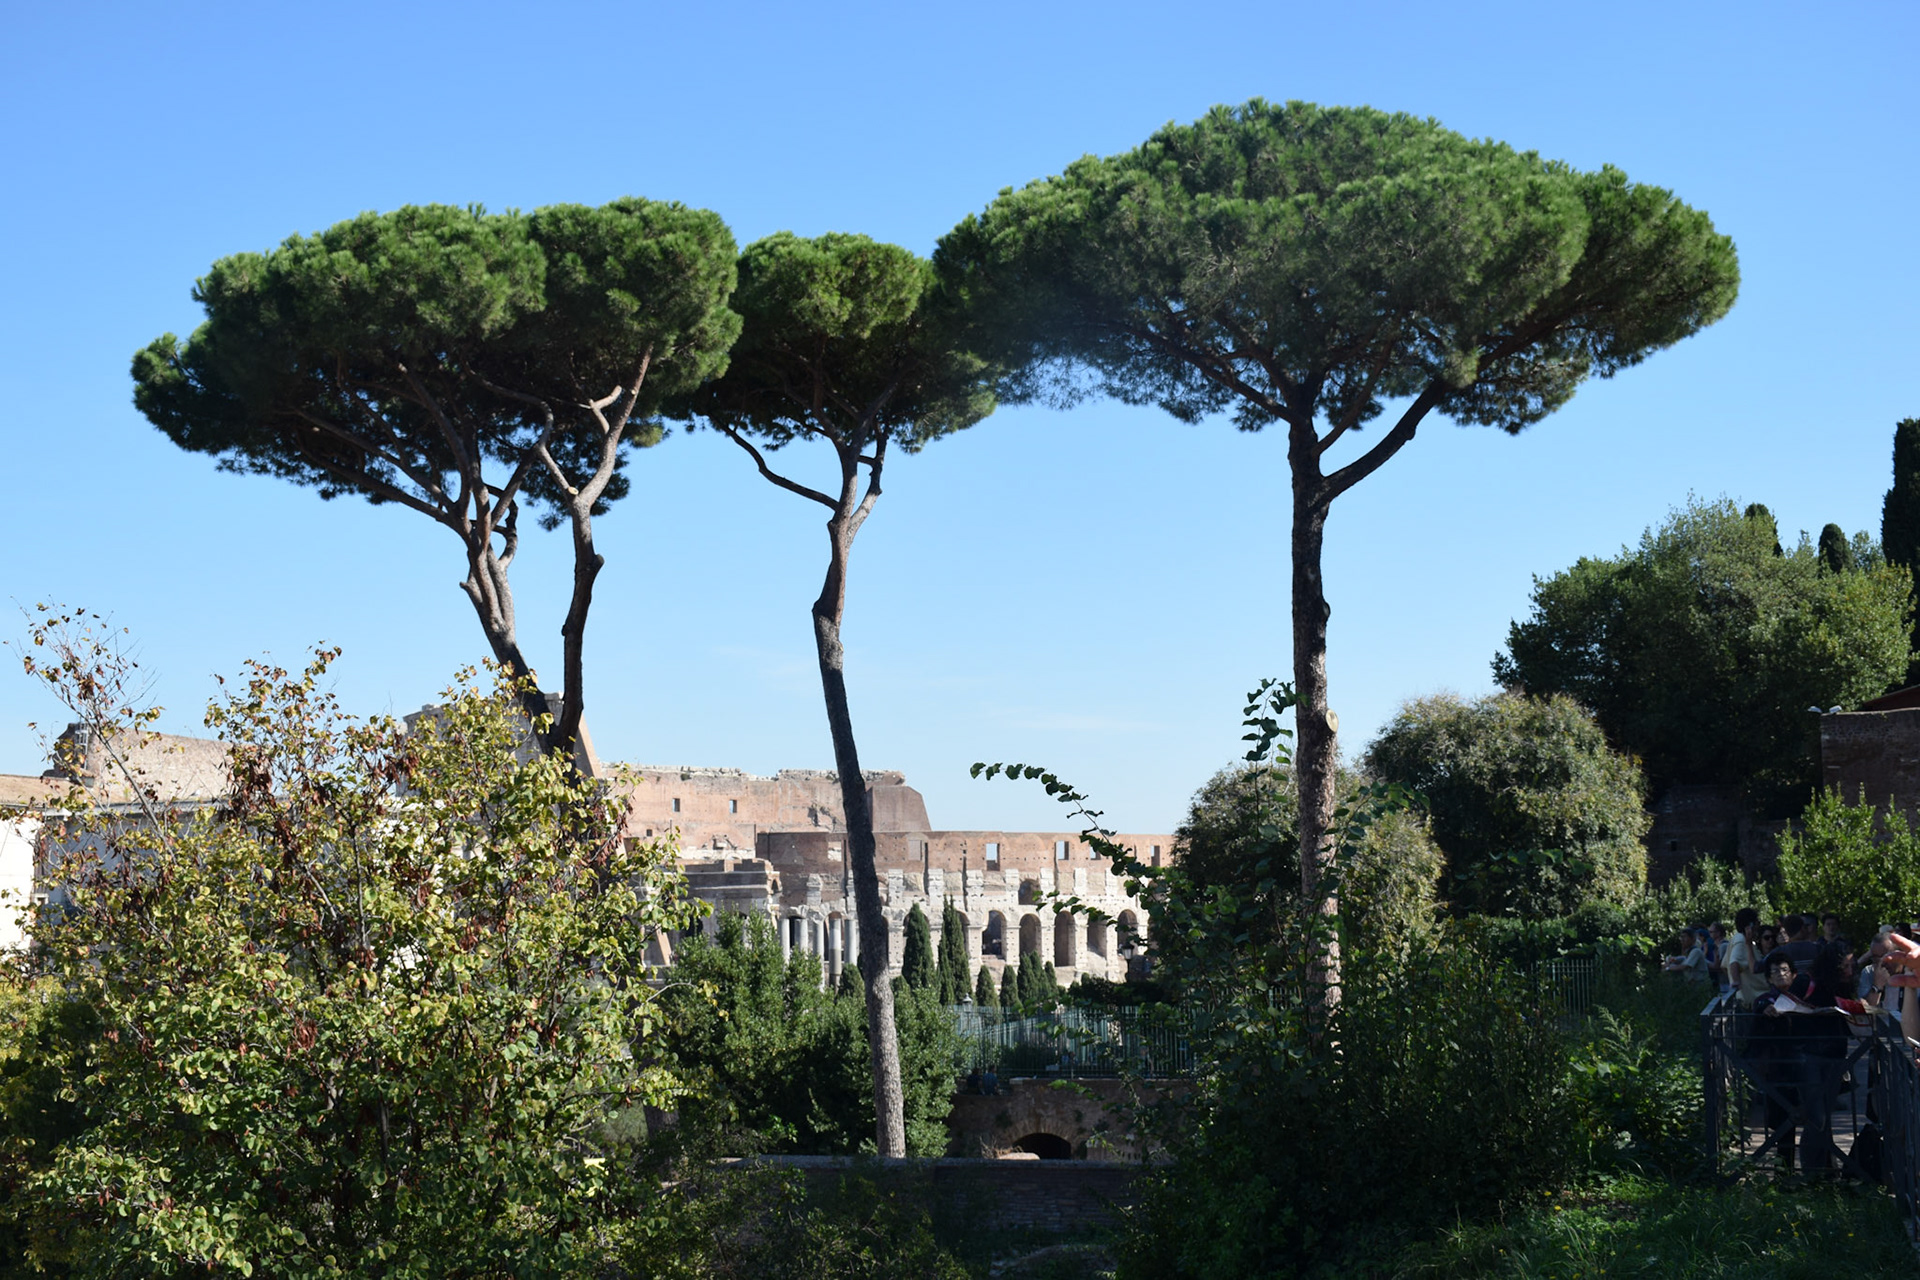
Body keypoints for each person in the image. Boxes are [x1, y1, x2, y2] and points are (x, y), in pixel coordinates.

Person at [1727, 908, 1766, 1007]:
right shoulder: (1741, 940)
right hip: (1753, 1000)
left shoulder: (1743, 940)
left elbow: (1724, 965)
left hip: (1756, 997)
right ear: (1751, 925)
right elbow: (1734, 963)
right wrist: (1736, 983)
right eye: (1757, 922)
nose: (1759, 926)